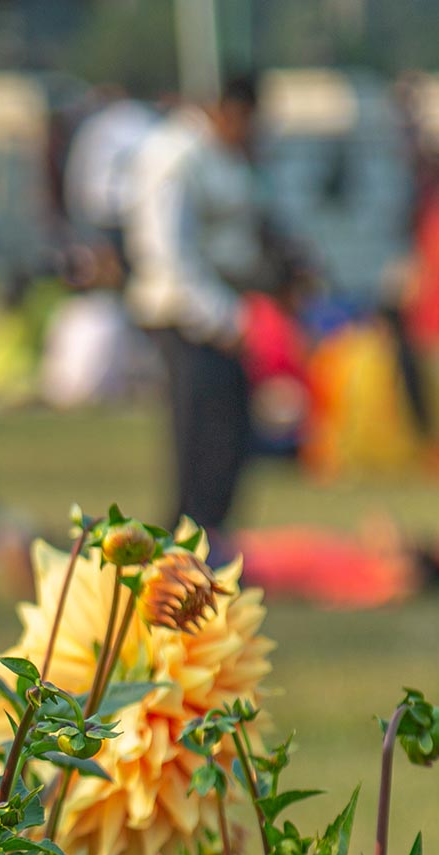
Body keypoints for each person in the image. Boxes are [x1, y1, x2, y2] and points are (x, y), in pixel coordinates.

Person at [124, 74, 265, 538]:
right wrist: (222, 318)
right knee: (198, 441)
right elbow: (167, 252)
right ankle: (186, 538)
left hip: (214, 311)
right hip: (184, 315)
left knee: (229, 434)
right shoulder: (176, 154)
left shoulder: (213, 154)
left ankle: (211, 534)